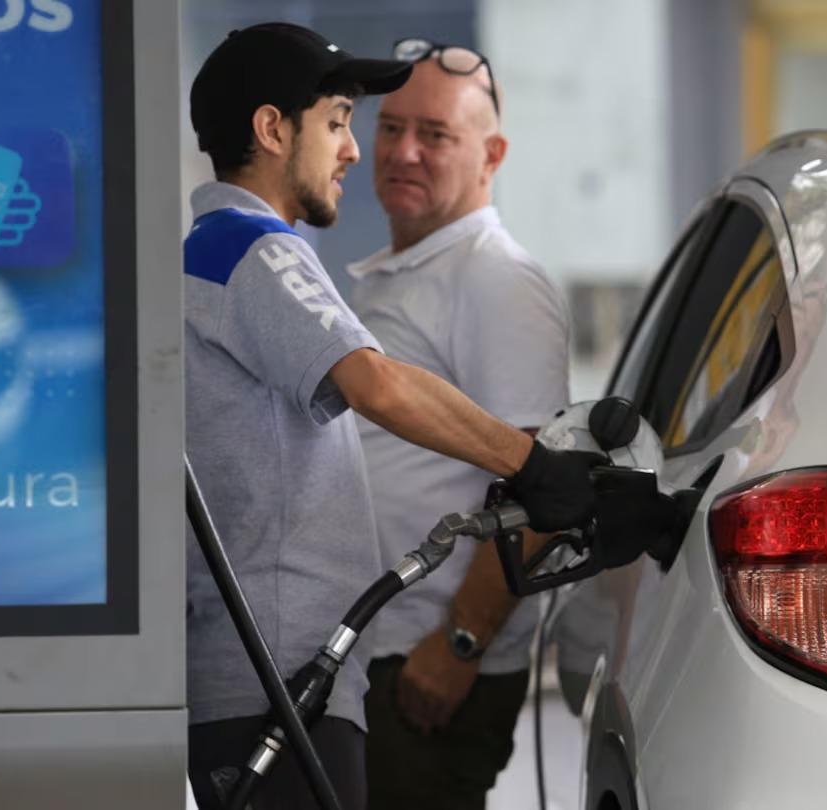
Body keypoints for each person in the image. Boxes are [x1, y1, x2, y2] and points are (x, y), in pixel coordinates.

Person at [183, 24, 598, 810]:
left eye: (430, 133)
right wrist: (536, 469)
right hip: (276, 670)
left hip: (293, 667)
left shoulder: (225, 250)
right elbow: (376, 383)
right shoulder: (254, 250)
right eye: (339, 122)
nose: (354, 149)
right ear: (272, 130)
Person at [348, 41, 568, 810]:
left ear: (491, 155)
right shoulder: (406, 272)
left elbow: (541, 492)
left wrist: (460, 645)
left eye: (434, 135)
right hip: (377, 655)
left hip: (427, 669)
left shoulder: (496, 279)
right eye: (390, 127)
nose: (402, 151)